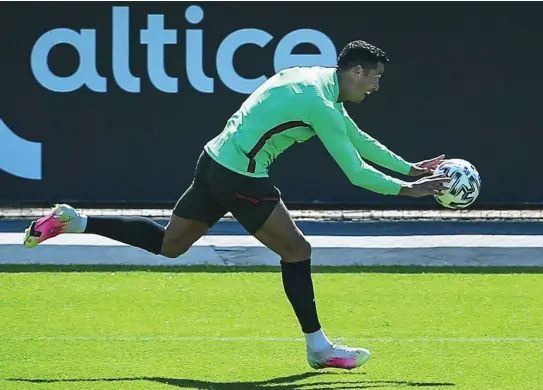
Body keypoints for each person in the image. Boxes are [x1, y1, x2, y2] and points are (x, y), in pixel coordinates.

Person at [22, 40, 450, 370]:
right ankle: (319, 349)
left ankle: (75, 221)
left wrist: (411, 169)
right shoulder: (319, 102)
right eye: (374, 78)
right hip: (240, 176)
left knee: (171, 245)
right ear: (356, 71)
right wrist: (410, 191)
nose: (376, 86)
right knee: (298, 251)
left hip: (213, 160)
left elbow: (356, 139)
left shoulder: (316, 79)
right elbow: (355, 171)